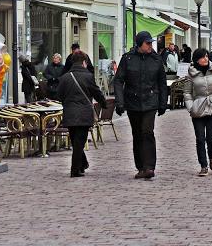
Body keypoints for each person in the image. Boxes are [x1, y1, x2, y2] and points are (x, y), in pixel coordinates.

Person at [113, 31, 168, 179]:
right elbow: (118, 80)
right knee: (137, 134)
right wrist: (119, 102)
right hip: (133, 102)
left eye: (151, 43)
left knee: (147, 132)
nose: (150, 46)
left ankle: (149, 167)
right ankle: (140, 167)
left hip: (150, 101)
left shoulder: (156, 59)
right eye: (147, 43)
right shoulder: (128, 59)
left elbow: (162, 83)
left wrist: (163, 102)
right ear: (139, 44)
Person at [57, 50, 107, 177]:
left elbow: (59, 96)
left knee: (76, 142)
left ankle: (82, 164)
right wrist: (104, 103)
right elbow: (96, 92)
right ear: (84, 62)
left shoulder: (64, 78)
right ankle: (75, 169)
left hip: (69, 113)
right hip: (84, 113)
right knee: (79, 142)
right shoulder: (88, 76)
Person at [183, 48, 212, 177]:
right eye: (203, 57)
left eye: (207, 56)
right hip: (198, 109)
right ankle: (203, 165)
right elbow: (187, 92)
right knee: (200, 139)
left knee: (211, 138)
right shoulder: (191, 74)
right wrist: (191, 107)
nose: (206, 59)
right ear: (197, 59)